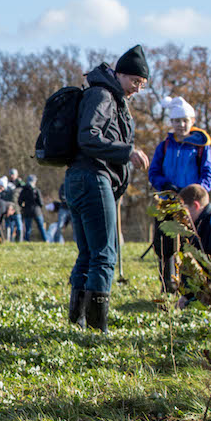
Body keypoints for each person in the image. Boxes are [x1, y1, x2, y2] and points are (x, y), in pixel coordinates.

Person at [65, 44, 151, 333]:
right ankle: (95, 327)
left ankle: (77, 321)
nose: (138, 89)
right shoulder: (103, 95)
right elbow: (88, 137)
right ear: (120, 74)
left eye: (142, 84)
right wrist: (127, 151)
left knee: (88, 252)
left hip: (81, 179)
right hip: (93, 178)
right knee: (105, 254)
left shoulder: (107, 95)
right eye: (135, 81)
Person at [147, 96, 211, 293]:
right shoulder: (165, 146)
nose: (181, 125)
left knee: (191, 246)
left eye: (184, 120)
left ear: (192, 122)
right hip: (167, 201)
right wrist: (164, 184)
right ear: (171, 122)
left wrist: (195, 192)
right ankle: (168, 286)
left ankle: (191, 287)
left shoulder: (201, 146)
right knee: (165, 245)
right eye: (176, 121)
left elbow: (208, 175)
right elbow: (154, 172)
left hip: (191, 206)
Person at [19, 175, 47, 242]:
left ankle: (27, 240)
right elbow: (40, 202)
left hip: (27, 211)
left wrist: (23, 207)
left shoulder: (24, 190)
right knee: (41, 227)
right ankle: (45, 240)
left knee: (28, 228)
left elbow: (19, 201)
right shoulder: (36, 190)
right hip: (36, 211)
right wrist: (40, 207)